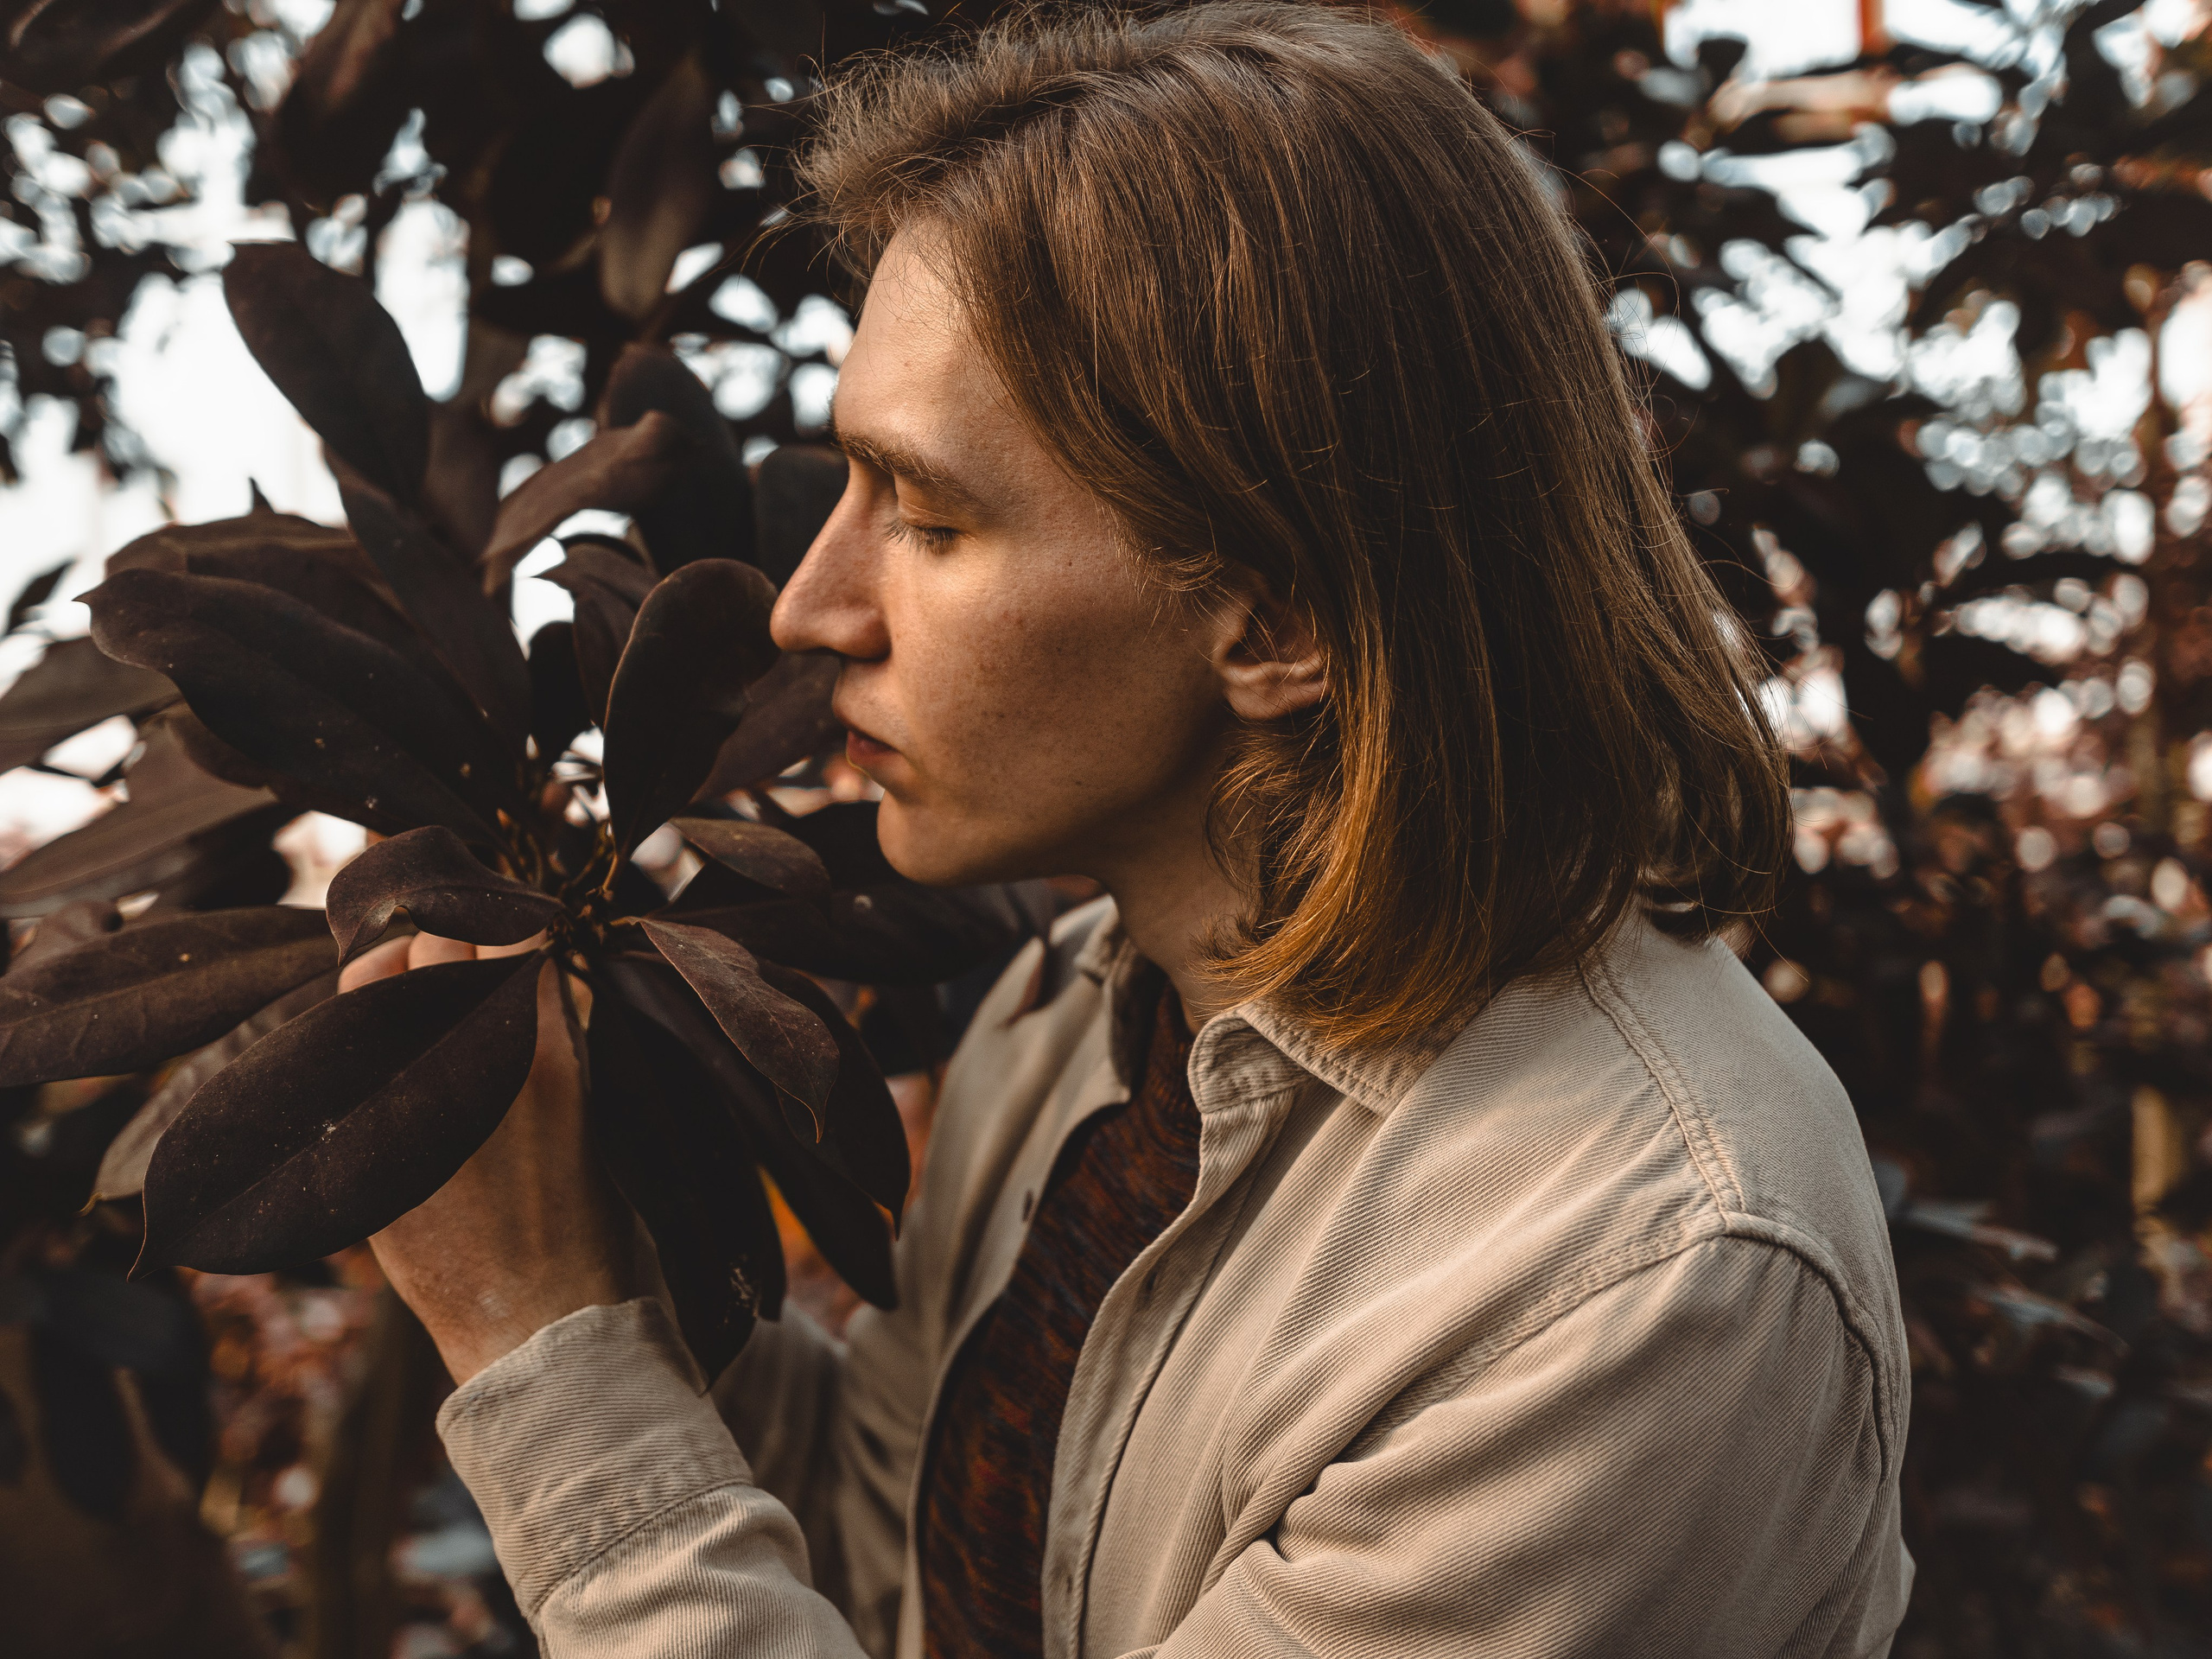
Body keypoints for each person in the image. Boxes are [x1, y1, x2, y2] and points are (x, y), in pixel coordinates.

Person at [344, 5, 1915, 1654]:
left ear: (1279, 613)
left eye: (931, 518)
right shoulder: (1087, 1015)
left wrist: (551, 1341)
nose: (808, 607)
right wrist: (598, 1219)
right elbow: (900, 1562)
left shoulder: (1637, 1280)